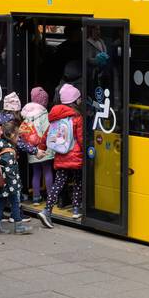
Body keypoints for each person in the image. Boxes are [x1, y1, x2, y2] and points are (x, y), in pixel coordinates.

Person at [40, 83, 84, 227]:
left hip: (61, 154)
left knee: (58, 184)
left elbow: (47, 134)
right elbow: (81, 137)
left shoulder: (55, 117)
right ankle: (76, 209)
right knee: (78, 182)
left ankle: (47, 210)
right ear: (75, 101)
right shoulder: (77, 117)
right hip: (75, 156)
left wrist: (41, 147)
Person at [0, 119, 32, 234]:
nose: (18, 139)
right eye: (18, 136)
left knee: (2, 202)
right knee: (15, 203)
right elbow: (9, 171)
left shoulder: (0, 144)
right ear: (12, 135)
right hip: (9, 184)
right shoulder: (8, 150)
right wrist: (16, 186)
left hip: (1, 182)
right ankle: (19, 226)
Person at [20, 88, 54, 206]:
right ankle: (50, 197)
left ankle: (36, 197)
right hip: (44, 148)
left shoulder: (27, 115)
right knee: (48, 171)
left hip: (32, 149)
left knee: (36, 172)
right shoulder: (44, 115)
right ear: (44, 101)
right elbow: (49, 131)